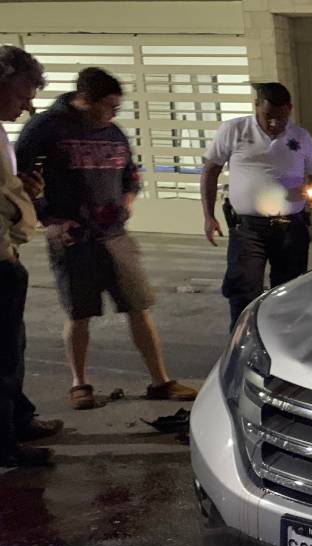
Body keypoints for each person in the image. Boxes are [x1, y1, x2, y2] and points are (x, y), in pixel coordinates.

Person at [16, 67, 195, 411]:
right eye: (109, 107)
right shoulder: (47, 129)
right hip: (73, 238)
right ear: (86, 100)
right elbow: (20, 180)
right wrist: (48, 220)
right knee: (79, 312)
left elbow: (131, 175)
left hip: (114, 236)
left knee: (139, 307)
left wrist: (125, 203)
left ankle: (161, 381)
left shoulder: (113, 133)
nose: (114, 114)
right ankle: (79, 384)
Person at [201, 82, 312, 328]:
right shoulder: (234, 130)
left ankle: (283, 344)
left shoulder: (300, 136)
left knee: (290, 291)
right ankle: (242, 346)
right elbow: (210, 171)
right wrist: (209, 216)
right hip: (248, 228)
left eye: (281, 118)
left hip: (291, 226)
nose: (274, 124)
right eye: (268, 116)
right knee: (243, 290)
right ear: (256, 106)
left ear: (290, 109)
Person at [0, 46, 62, 468]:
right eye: (23, 94)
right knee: (1, 355)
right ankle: (3, 443)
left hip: (8, 254)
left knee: (12, 348)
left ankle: (18, 420)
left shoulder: (1, 132)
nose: (29, 104)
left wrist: (22, 189)